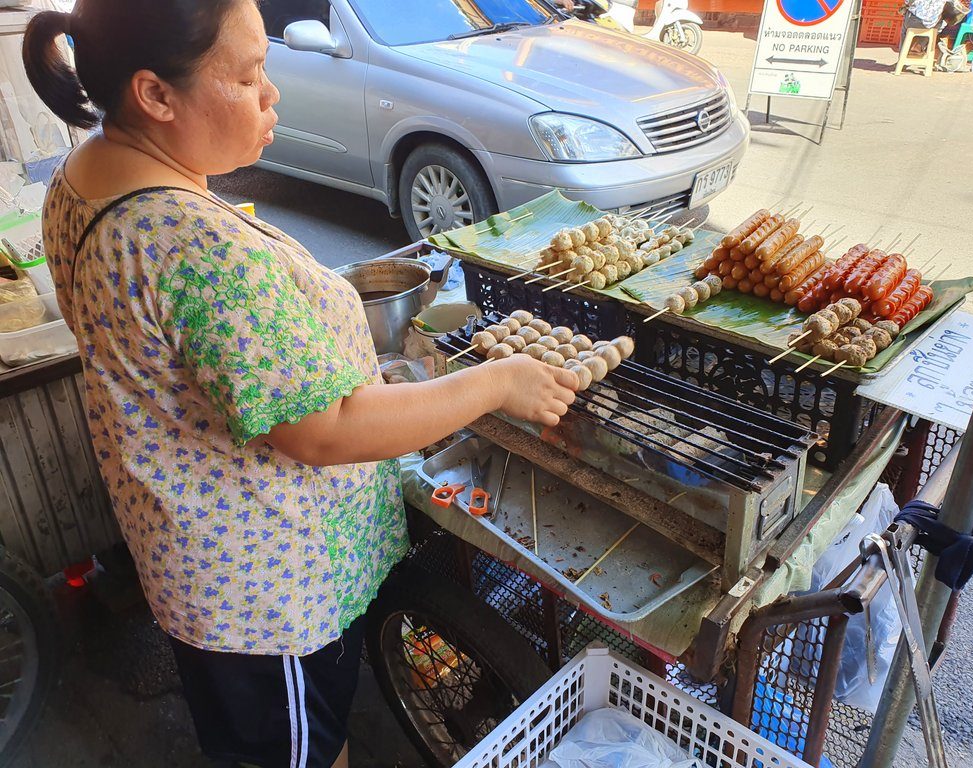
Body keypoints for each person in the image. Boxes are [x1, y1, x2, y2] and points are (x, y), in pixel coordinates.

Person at [22, 2, 578, 767]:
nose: (271, 94)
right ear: (154, 94)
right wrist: (496, 382)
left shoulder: (86, 176)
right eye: (250, 75)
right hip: (263, 601)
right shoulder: (189, 242)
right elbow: (325, 430)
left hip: (194, 566)